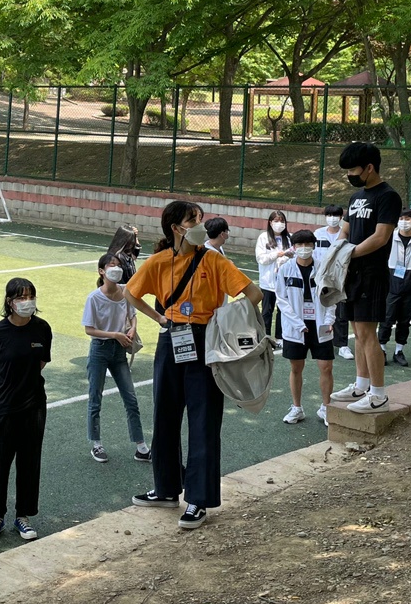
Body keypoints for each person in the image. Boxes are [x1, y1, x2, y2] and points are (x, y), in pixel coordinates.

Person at [124, 201, 262, 531]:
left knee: (204, 420)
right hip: (171, 339)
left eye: (200, 219)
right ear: (176, 228)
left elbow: (253, 294)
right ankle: (166, 489)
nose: (200, 225)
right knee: (164, 416)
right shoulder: (158, 261)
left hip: (206, 341)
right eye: (193, 220)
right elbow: (131, 293)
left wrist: (223, 321)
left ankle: (198, 499)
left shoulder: (213, 260)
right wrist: (159, 318)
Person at [328, 143, 401, 413]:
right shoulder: (356, 197)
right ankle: (360, 385)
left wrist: (349, 254)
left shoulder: (388, 196)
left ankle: (378, 394)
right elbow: (345, 231)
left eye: (353, 170)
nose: (349, 175)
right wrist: (339, 252)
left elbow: (381, 237)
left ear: (370, 167)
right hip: (351, 274)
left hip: (372, 274)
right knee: (357, 333)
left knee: (368, 334)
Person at [0, 278, 53, 541]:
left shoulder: (42, 328)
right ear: (10, 302)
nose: (27, 302)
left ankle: (23, 516)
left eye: (30, 296)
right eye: (21, 297)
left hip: (33, 406)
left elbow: (41, 362)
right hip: (2, 407)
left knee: (29, 462)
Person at [82, 252, 148, 464]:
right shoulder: (94, 298)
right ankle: (96, 444)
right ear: (101, 271)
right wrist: (115, 335)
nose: (116, 268)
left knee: (131, 399)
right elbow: (89, 329)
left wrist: (132, 329)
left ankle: (141, 447)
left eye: (118, 265)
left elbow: (133, 315)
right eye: (111, 265)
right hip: (100, 350)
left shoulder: (125, 292)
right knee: (95, 398)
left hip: (120, 351)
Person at [276, 230, 334, 426]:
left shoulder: (323, 268)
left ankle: (326, 408)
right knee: (296, 368)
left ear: (314, 246)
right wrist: (297, 323)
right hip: (295, 327)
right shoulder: (286, 269)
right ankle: (297, 408)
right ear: (294, 247)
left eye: (307, 244)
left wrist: (329, 319)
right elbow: (281, 300)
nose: (304, 248)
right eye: (299, 245)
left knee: (326, 367)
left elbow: (331, 296)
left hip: (320, 324)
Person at [379, 208, 411, 366]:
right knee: (387, 319)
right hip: (392, 284)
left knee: (405, 321)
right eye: (401, 219)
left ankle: (399, 351)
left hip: (410, 286)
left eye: (407, 219)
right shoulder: (389, 237)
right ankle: (382, 350)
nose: (404, 222)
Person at [314, 205, 352, 359]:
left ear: (341, 218)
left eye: (336, 215)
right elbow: (314, 254)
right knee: (320, 308)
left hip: (340, 277)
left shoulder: (346, 235)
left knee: (341, 312)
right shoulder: (318, 234)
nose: (332, 218)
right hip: (321, 277)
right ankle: (320, 339)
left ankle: (342, 345)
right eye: (329, 215)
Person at [255, 210, 293, 348]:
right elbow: (261, 258)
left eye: (282, 221)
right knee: (267, 311)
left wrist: (286, 258)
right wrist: (277, 254)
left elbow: (293, 256)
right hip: (268, 282)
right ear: (270, 223)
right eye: (276, 221)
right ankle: (265, 337)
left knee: (282, 310)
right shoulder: (263, 237)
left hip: (284, 281)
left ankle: (280, 337)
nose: (279, 224)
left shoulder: (289, 238)